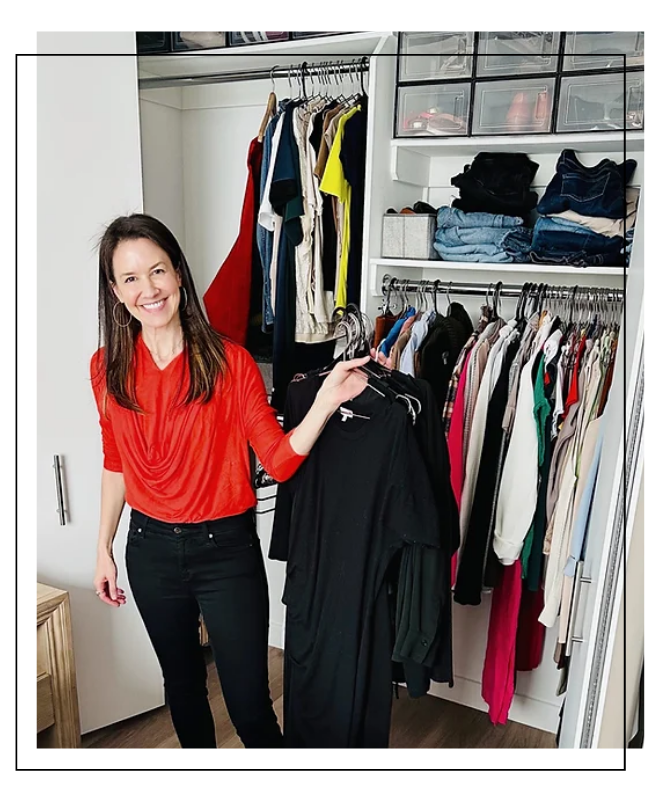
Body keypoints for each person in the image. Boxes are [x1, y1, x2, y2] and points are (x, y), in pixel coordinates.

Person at [90, 213, 383, 752]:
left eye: (157, 271)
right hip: (148, 549)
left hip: (224, 550)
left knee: (249, 704)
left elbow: (278, 461)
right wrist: (104, 547)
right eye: (130, 279)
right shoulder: (106, 367)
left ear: (178, 273)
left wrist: (326, 400)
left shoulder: (230, 363)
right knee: (182, 688)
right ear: (115, 291)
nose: (147, 289)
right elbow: (116, 463)